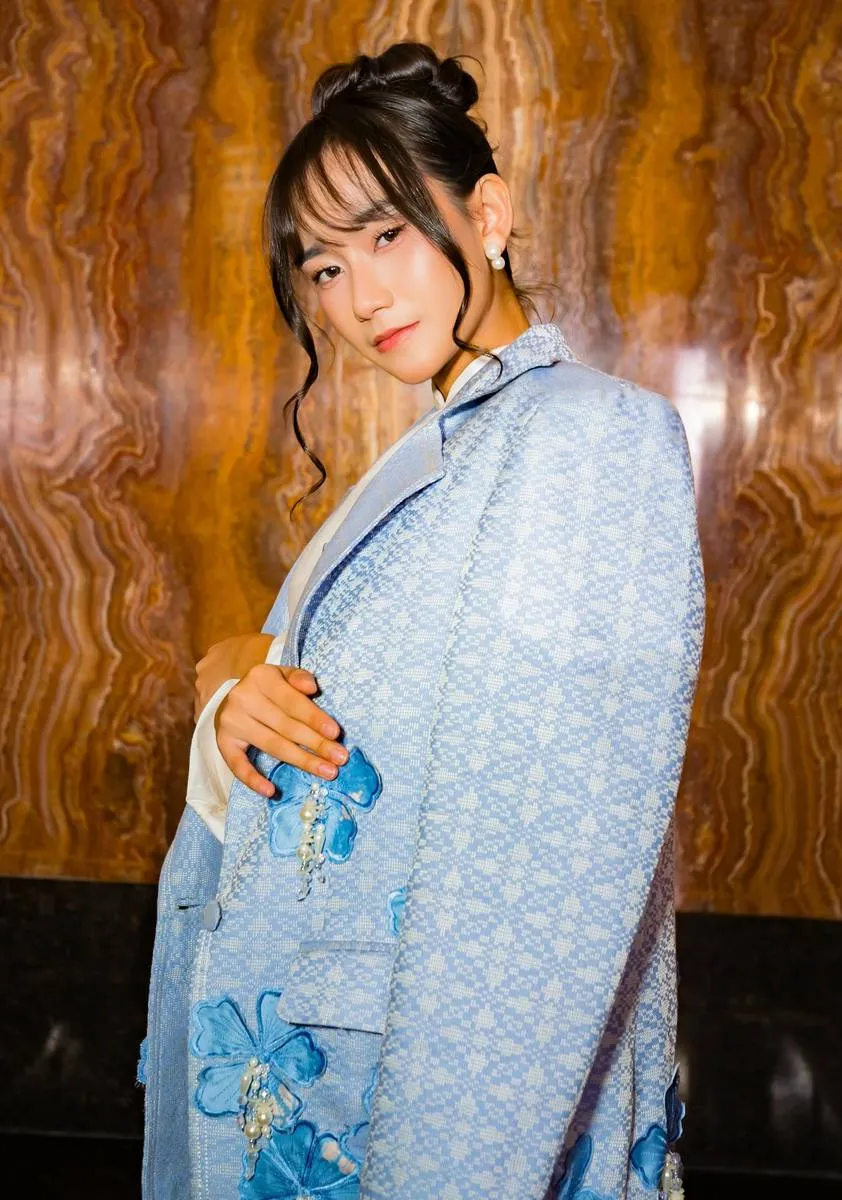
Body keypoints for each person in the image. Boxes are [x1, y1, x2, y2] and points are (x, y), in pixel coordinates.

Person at [140, 41, 705, 1200]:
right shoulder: (448, 451)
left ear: (486, 213)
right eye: (324, 266)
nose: (360, 297)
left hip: (438, 1122)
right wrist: (234, 683)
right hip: (326, 1090)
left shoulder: (585, 439)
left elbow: (540, 876)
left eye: (388, 235)